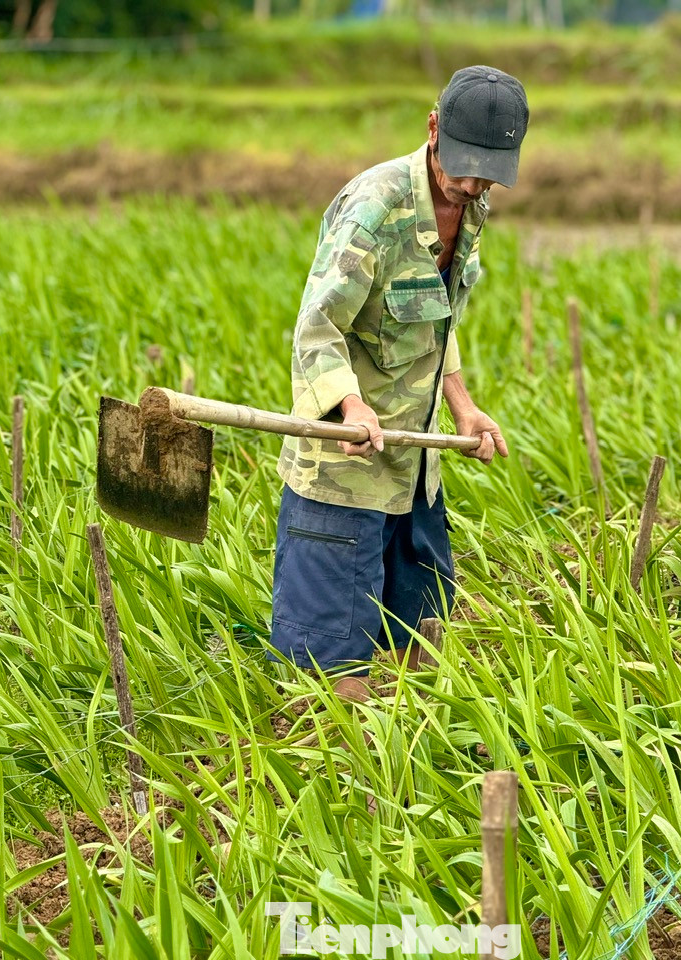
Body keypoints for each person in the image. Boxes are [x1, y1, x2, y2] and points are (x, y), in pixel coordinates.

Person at [272, 65, 528, 700]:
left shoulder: (470, 209)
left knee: (424, 648)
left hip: (415, 470)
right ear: (433, 128)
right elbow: (316, 325)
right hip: (345, 475)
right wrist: (349, 403)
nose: (471, 184)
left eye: (489, 172)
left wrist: (464, 407)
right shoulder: (376, 208)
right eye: (464, 165)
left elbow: (437, 322)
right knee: (338, 677)